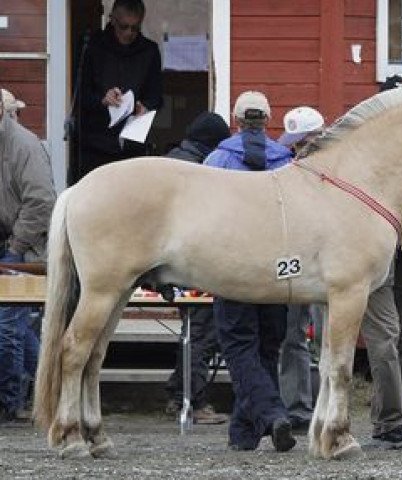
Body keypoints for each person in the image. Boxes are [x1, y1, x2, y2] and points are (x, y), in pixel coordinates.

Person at [203, 91, 296, 452]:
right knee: (267, 347)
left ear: (235, 119)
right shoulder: (286, 162)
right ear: (269, 120)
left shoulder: (216, 160)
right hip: (276, 267)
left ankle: (272, 414)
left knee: (239, 346)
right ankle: (244, 433)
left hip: (233, 266)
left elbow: (205, 216)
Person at [163, 111, 231, 424]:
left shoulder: (172, 161)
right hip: (194, 262)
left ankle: (178, 392)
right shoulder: (199, 169)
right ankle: (193, 402)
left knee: (192, 332)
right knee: (202, 333)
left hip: (171, 261)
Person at [0, 88, 56, 425]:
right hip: (11, 242)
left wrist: (16, 247)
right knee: (19, 328)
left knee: (9, 326)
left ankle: (12, 403)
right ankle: (51, 389)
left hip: (24, 247)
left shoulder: (23, 146)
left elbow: (41, 201)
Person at [277, 106, 325, 434]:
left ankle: (323, 405)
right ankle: (297, 408)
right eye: (294, 143)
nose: (294, 150)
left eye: (300, 143)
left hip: (325, 261)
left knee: (323, 337)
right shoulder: (286, 166)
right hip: (292, 258)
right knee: (293, 333)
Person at [77, 0, 163, 181]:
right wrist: (103, 100)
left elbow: (157, 96)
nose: (129, 33)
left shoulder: (149, 50)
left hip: (133, 142)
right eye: (124, 27)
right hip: (95, 143)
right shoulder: (93, 46)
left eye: (135, 28)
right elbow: (79, 95)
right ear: (112, 20)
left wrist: (145, 106)